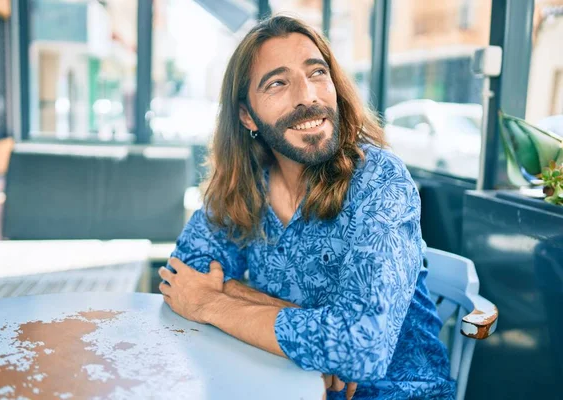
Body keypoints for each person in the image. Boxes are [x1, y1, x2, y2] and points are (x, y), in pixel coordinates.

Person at [158, 15, 455, 399]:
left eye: (317, 73)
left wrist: (213, 303)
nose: (308, 96)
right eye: (277, 83)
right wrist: (315, 337)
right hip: (282, 382)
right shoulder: (246, 184)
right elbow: (182, 278)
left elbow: (358, 348)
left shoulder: (379, 179)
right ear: (247, 115)